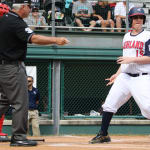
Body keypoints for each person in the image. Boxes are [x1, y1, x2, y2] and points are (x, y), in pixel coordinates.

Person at [0, 0, 69, 147]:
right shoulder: (15, 21)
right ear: (22, 7)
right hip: (12, 67)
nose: (31, 10)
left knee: (3, 102)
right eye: (29, 7)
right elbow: (34, 38)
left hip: (3, 67)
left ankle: (18, 136)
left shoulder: (4, 20)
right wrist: (56, 40)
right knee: (20, 102)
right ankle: (18, 137)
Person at [89, 7, 150, 144]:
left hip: (142, 77)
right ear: (130, 19)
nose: (138, 20)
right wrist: (117, 74)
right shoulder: (126, 36)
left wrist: (132, 59)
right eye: (135, 17)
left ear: (144, 19)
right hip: (125, 77)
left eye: (140, 17)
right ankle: (103, 134)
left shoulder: (147, 36)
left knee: (147, 108)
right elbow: (125, 60)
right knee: (109, 104)